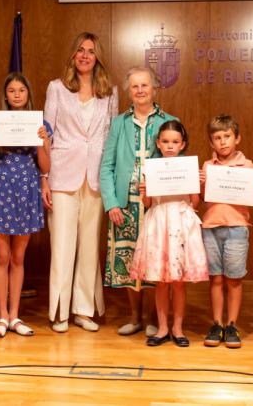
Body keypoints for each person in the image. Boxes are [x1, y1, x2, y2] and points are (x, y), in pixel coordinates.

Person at [42, 32, 118, 333]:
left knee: (89, 246)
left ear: (97, 56)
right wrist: (44, 178)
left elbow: (110, 138)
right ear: (73, 55)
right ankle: (59, 310)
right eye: (80, 50)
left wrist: (110, 179)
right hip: (62, 174)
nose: (85, 55)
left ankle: (83, 310)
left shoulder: (109, 91)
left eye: (90, 51)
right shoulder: (57, 88)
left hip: (97, 176)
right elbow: (46, 135)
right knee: (61, 244)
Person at [100, 66, 177, 336]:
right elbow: (106, 166)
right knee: (129, 259)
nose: (140, 90)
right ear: (129, 91)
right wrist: (111, 203)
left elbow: (177, 164)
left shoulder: (169, 121)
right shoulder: (119, 123)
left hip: (158, 204)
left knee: (157, 260)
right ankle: (134, 318)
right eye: (135, 86)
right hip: (125, 204)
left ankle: (157, 319)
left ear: (154, 88)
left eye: (145, 85)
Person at [0, 73, 51, 338]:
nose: (17, 94)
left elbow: (45, 167)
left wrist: (42, 142)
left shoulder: (40, 124)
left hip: (27, 188)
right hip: (1, 187)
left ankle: (15, 316)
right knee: (1, 255)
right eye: (12, 90)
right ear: (6, 95)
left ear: (28, 93)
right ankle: (1, 315)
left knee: (19, 257)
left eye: (21, 89)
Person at [131, 120, 208, 347]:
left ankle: (178, 328)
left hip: (182, 223)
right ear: (158, 143)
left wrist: (197, 186)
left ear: (182, 144)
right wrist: (144, 191)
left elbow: (195, 203)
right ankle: (163, 328)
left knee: (178, 282)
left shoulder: (188, 167)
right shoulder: (150, 167)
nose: (170, 146)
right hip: (159, 222)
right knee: (161, 281)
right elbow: (147, 203)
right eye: (165, 141)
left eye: (175, 142)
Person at [199, 114, 253, 349]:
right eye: (217, 138)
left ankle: (232, 325)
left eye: (227, 136)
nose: (223, 142)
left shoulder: (247, 166)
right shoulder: (207, 167)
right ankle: (216, 324)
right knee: (215, 279)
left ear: (237, 138)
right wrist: (199, 182)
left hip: (237, 228)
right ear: (211, 142)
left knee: (234, 279)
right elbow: (198, 198)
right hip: (210, 228)